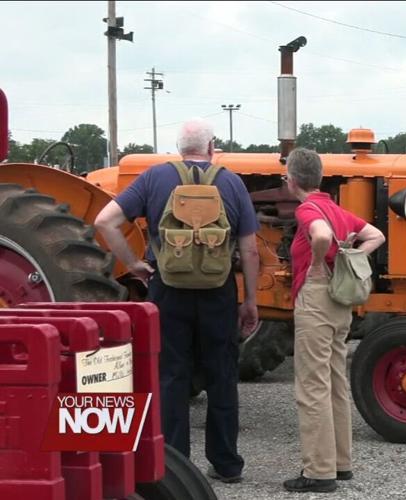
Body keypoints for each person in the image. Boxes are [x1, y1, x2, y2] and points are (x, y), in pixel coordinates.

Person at [95, 118, 260, 484]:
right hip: (218, 291)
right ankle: (226, 463)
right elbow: (249, 250)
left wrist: (135, 264)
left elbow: (104, 221)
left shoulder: (156, 178)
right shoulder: (231, 182)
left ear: (179, 149)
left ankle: (174, 466)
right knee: (222, 374)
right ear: (211, 148)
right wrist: (249, 300)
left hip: (167, 288)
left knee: (171, 375)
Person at [282, 148, 385, 493]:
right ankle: (341, 463)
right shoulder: (338, 209)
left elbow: (322, 236)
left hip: (316, 297)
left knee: (312, 385)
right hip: (340, 302)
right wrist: (352, 256)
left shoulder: (308, 209)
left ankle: (319, 471)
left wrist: (315, 261)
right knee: (335, 380)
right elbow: (376, 235)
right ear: (320, 177)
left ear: (292, 180)